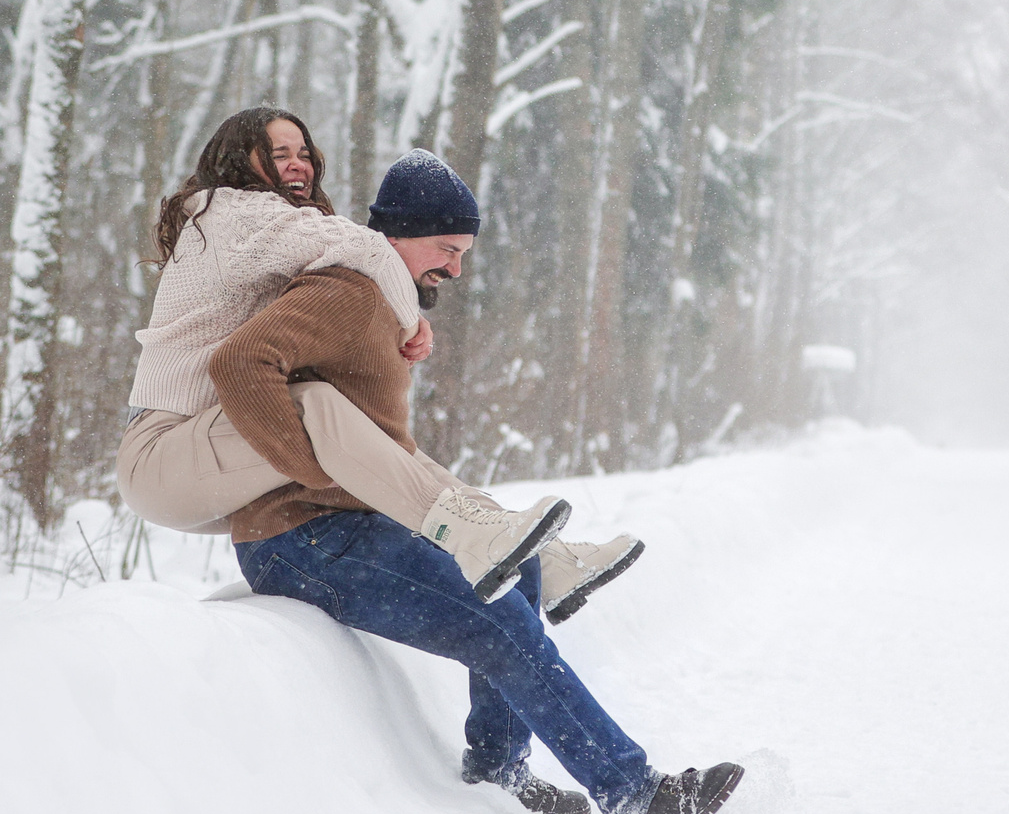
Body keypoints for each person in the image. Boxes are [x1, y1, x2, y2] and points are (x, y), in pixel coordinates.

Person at [198, 147, 743, 814]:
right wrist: (306, 470)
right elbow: (241, 361)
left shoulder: (378, 298)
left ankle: (500, 769)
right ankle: (635, 791)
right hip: (299, 538)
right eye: (446, 248)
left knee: (512, 573)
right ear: (397, 233)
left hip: (349, 524)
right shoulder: (344, 289)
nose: (456, 267)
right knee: (497, 618)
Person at [116, 110, 643, 615]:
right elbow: (368, 249)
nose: (298, 163)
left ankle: (541, 559)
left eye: (304, 152)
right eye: (279, 154)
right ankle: (463, 537)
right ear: (238, 160)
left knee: (384, 443)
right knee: (316, 404)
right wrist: (411, 321)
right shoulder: (230, 212)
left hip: (207, 448)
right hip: (164, 451)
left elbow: (352, 256)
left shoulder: (273, 227)